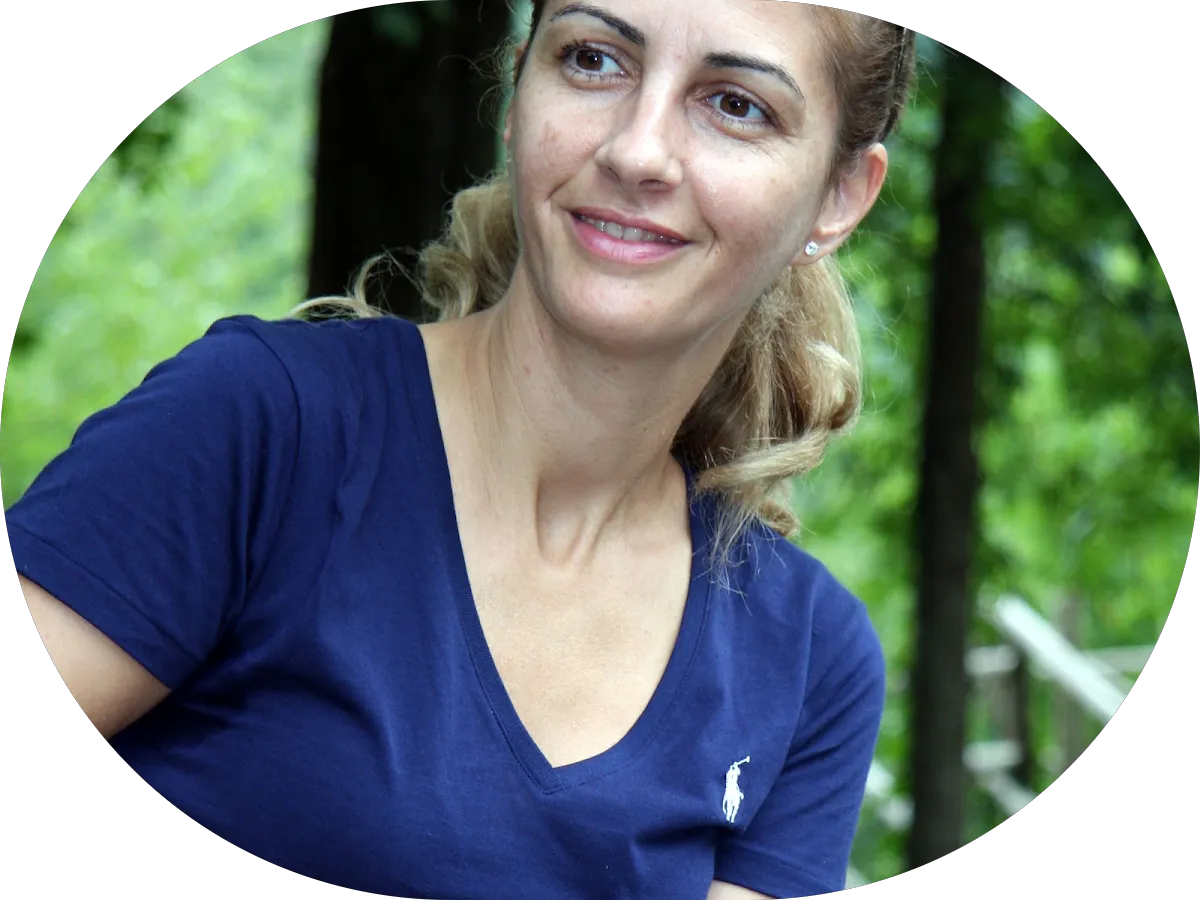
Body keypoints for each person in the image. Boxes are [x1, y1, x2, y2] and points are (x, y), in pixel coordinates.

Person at [10, 1, 916, 897]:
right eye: (594, 59)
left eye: (735, 105)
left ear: (839, 197)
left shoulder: (809, 660)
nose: (637, 150)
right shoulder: (263, 426)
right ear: (519, 92)